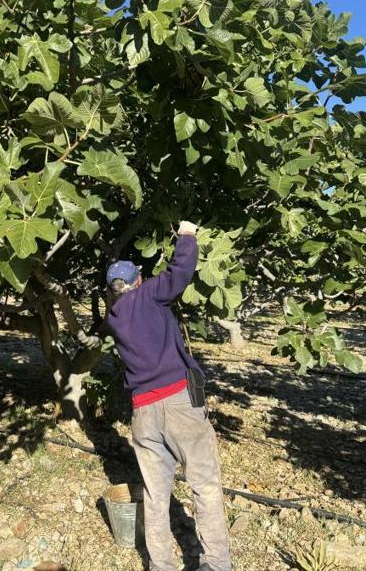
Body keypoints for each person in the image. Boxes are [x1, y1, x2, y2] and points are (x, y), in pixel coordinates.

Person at [105, 221, 232, 571]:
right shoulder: (148, 296)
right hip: (178, 403)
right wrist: (187, 235)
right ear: (138, 282)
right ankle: (216, 565)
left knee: (155, 495)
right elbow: (180, 271)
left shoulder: (114, 316)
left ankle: (160, 565)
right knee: (204, 486)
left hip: (143, 411)